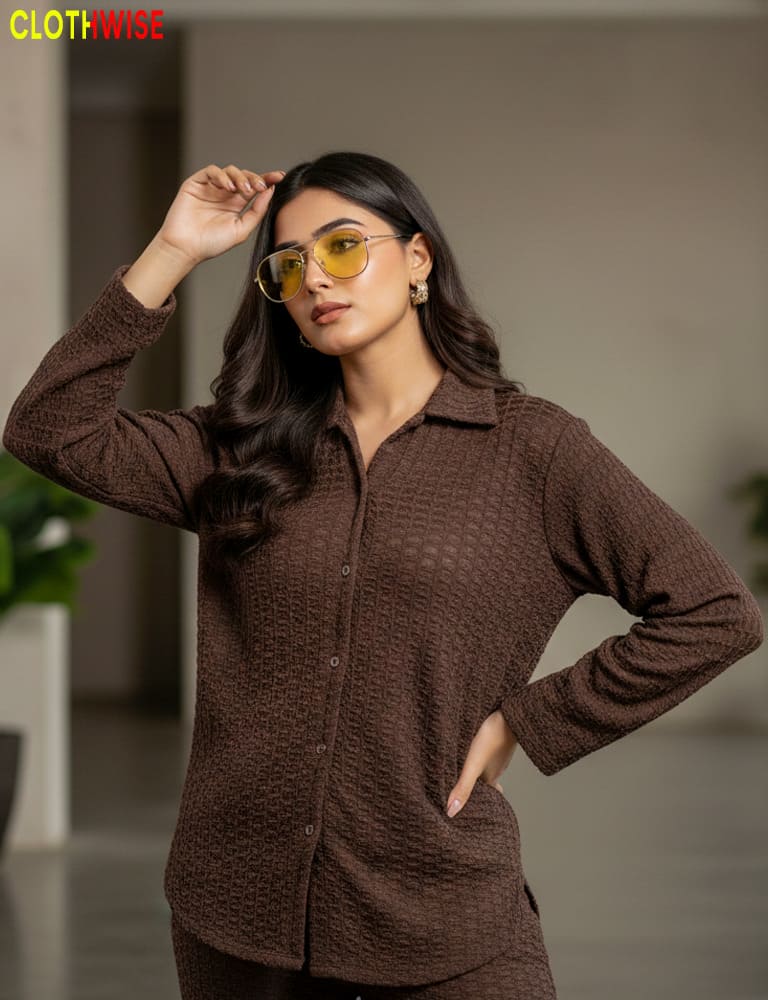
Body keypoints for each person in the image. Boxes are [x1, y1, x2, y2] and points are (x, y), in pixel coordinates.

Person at [2, 151, 763, 1000]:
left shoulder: (534, 451)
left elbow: (714, 611)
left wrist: (527, 720)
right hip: (237, 916)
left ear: (418, 261)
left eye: (342, 246)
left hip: (442, 914)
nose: (314, 280)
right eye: (287, 267)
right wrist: (174, 250)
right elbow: (48, 431)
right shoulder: (242, 448)